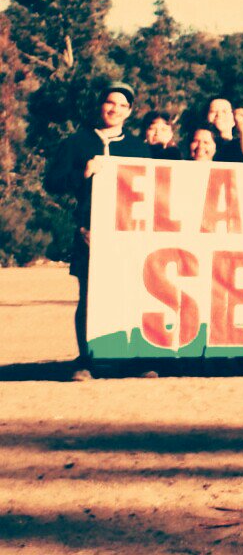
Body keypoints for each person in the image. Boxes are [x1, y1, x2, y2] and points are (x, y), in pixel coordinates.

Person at [44, 82, 149, 368]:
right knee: (89, 296)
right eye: (110, 103)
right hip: (90, 232)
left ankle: (133, 360)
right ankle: (87, 360)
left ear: (130, 111)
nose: (115, 109)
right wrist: (84, 172)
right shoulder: (76, 143)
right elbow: (52, 183)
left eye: (122, 105)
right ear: (100, 105)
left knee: (131, 294)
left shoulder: (137, 148)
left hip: (130, 234)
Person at [201, 96, 243, 162]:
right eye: (213, 111)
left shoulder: (241, 146)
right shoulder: (198, 146)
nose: (219, 115)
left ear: (234, 119)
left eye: (224, 111)